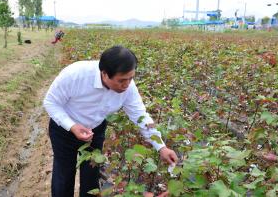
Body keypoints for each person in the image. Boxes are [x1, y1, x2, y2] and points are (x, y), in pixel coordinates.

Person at [43, 45, 178, 197]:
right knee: (64, 174)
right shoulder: (75, 75)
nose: (127, 85)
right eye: (121, 80)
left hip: (95, 131)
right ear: (105, 74)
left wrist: (161, 147)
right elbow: (50, 102)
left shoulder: (128, 87)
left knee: (91, 178)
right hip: (64, 130)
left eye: (131, 78)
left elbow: (141, 116)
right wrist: (72, 126)